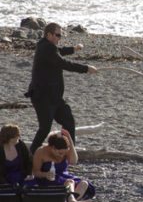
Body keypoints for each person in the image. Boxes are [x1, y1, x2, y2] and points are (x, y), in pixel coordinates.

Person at [25, 22, 97, 154]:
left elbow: (59, 52)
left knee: (68, 121)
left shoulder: (46, 45)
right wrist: (86, 69)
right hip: (43, 97)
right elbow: (63, 63)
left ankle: (67, 153)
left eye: (61, 35)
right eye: (58, 35)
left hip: (54, 97)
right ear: (49, 34)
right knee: (45, 129)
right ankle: (31, 156)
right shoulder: (46, 48)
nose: (59, 37)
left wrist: (73, 49)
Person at [32, 129, 95, 202]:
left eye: (64, 153)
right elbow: (35, 172)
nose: (62, 155)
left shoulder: (65, 150)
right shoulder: (41, 151)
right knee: (70, 182)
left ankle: (70, 200)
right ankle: (72, 201)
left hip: (63, 176)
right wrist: (45, 174)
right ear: (52, 148)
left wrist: (70, 141)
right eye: (60, 153)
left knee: (84, 183)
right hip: (47, 178)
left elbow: (73, 161)